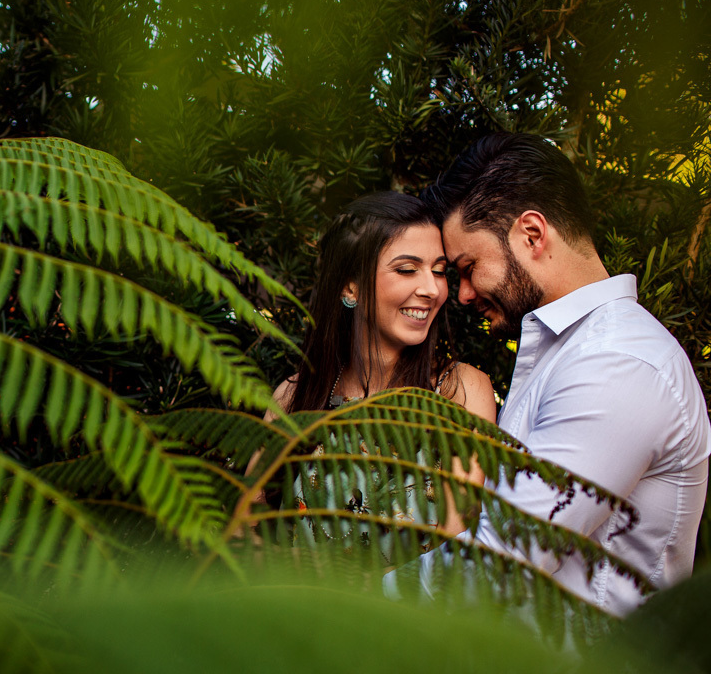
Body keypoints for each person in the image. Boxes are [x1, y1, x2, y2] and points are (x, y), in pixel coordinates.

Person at [408, 132, 711, 617]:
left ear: (532, 234)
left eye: (469, 266)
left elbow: (500, 562)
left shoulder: (618, 363)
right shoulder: (571, 351)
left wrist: (344, 603)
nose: (462, 294)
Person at [251, 192, 497, 548]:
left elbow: (453, 550)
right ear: (351, 286)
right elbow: (249, 534)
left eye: (439, 271)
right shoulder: (293, 395)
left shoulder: (461, 391)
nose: (432, 289)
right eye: (407, 269)